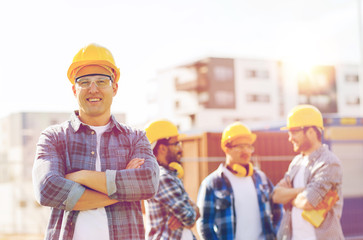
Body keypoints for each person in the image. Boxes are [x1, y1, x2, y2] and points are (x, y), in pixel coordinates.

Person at [32, 43, 160, 240]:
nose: (93, 89)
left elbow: (148, 183)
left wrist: (79, 176)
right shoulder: (54, 137)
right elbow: (47, 189)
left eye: (101, 81)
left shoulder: (136, 138)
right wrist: (124, 189)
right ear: (74, 89)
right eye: (84, 82)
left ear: (114, 87)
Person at [196, 122, 283, 240]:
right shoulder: (212, 183)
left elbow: (278, 208)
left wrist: (274, 233)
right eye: (240, 146)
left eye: (249, 146)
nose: (246, 151)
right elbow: (204, 224)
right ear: (226, 148)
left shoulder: (261, 178)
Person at [272, 104, 344, 240]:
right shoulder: (296, 163)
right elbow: (276, 195)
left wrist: (289, 197)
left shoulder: (329, 162)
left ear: (311, 131)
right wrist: (303, 190)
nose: (289, 138)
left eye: (294, 132)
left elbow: (307, 202)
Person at [144, 120, 200, 240]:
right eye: (176, 144)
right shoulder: (163, 178)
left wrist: (193, 210)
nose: (180, 148)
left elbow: (192, 213)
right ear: (162, 148)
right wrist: (193, 211)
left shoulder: (170, 175)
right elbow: (189, 219)